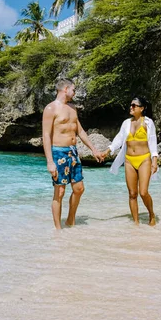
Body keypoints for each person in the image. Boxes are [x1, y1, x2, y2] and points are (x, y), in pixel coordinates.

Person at [42, 78, 103, 229]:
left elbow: (80, 130)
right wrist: (50, 161)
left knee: (79, 189)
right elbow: (46, 136)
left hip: (73, 152)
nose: (75, 93)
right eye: (73, 90)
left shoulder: (72, 108)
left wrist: (93, 149)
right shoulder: (50, 109)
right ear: (65, 89)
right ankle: (58, 230)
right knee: (60, 191)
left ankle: (70, 220)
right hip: (58, 152)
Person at [102, 97, 158, 226]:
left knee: (143, 192)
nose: (131, 107)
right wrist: (107, 151)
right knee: (132, 194)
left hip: (144, 159)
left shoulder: (148, 123)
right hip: (129, 160)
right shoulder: (126, 123)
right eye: (131, 105)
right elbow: (119, 139)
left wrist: (154, 160)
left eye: (134, 105)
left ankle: (151, 214)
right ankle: (136, 223)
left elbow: (153, 142)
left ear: (142, 108)